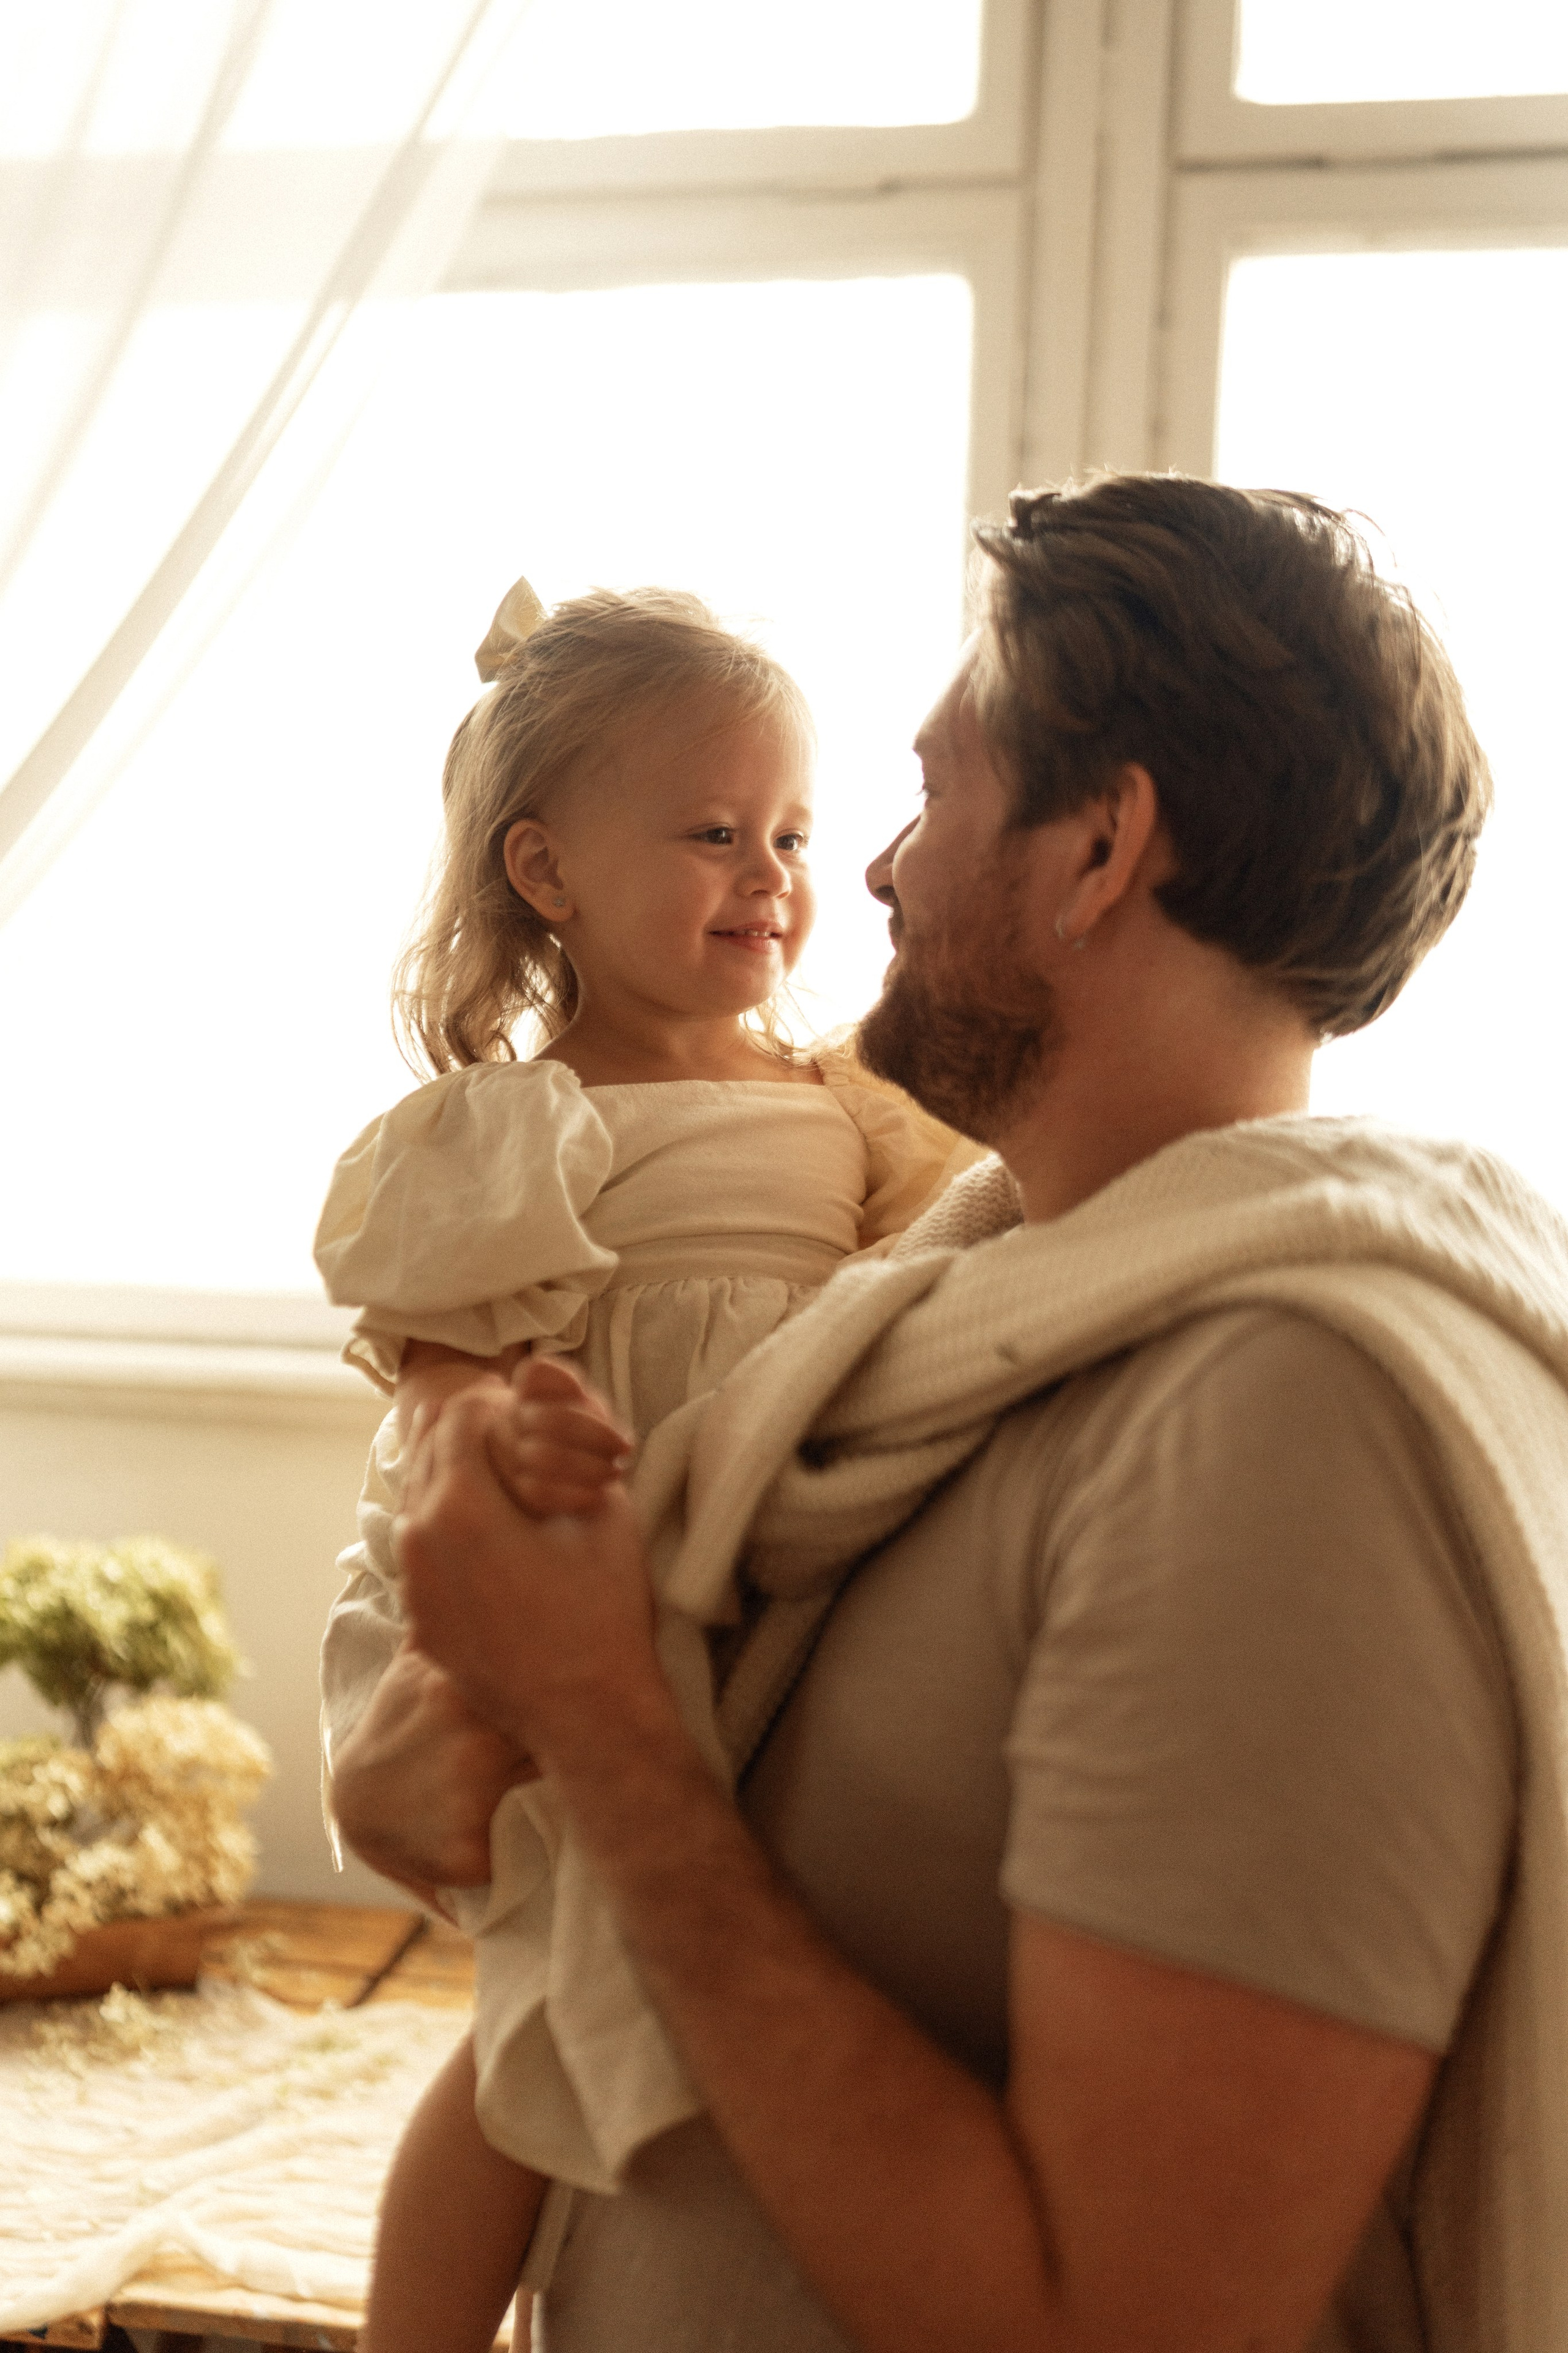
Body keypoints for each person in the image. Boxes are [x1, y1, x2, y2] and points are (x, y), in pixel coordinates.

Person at [326, 476, 1568, 2353]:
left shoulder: (1289, 1424)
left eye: (928, 796)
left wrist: (592, 1715)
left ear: (1096, 851)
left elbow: (1118, 2327)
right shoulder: (978, 1303)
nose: (876, 874)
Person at [312, 578, 979, 2353]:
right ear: (547, 875)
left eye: (793, 833)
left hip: (760, 1576)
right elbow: (443, 1401)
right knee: (533, 2015)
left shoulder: (847, 1105)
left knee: (723, 1966)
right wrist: (501, 1435)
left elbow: (934, 1294)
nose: (771, 872)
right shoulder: (512, 1126)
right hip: (559, 1588)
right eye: (712, 831)